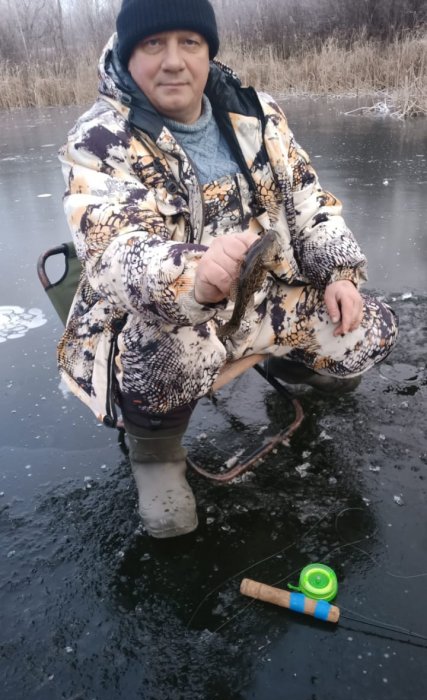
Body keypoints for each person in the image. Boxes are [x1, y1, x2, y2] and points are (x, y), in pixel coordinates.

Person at [58, 0, 398, 539]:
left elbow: (307, 201)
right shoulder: (99, 139)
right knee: (167, 348)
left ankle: (294, 362)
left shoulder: (256, 113)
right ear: (128, 53)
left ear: (208, 51)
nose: (174, 61)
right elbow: (115, 251)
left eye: (189, 43)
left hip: (259, 297)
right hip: (159, 321)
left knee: (365, 331)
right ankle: (155, 452)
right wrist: (193, 275)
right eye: (154, 43)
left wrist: (338, 273)